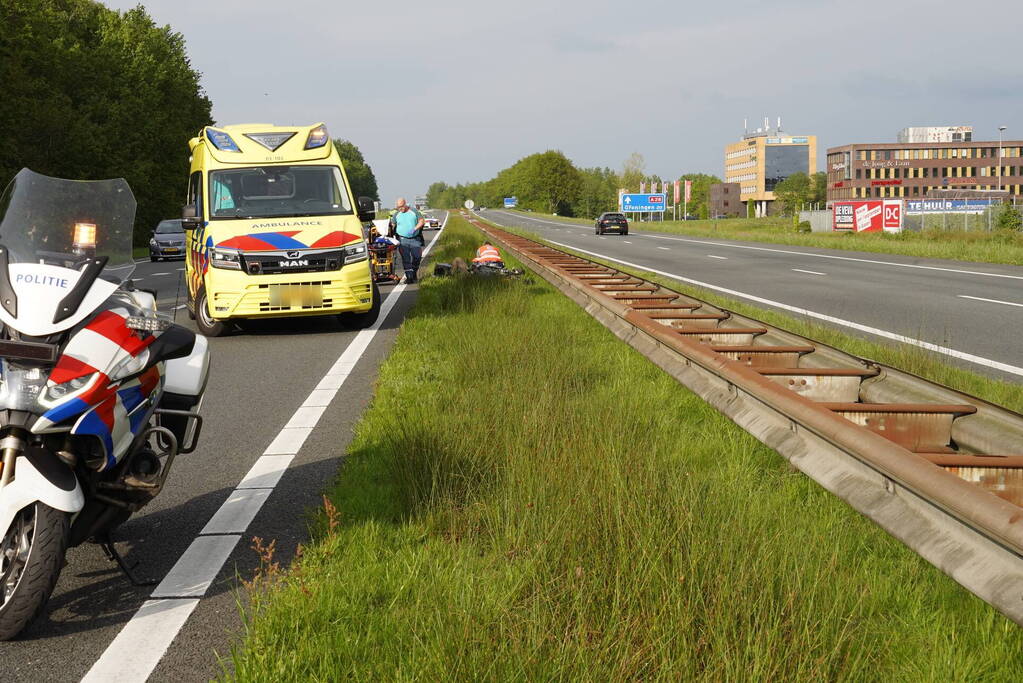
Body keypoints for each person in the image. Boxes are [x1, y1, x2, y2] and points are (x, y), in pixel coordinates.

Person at [391, 197, 425, 283]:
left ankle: (413, 272)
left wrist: (414, 229)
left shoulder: (414, 211)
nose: (400, 208)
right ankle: (409, 277)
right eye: (398, 207)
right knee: (406, 259)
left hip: (415, 239)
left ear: (405, 204)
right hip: (402, 240)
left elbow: (421, 221)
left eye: (402, 206)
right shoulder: (396, 214)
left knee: (417, 257)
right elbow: (392, 224)